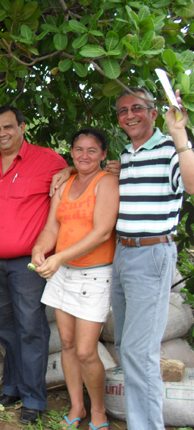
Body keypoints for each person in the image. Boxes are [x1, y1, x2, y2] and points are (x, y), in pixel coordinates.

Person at [54, 88, 193, 430]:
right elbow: (95, 175)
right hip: (123, 255)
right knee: (129, 346)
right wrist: (68, 172)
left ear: (154, 113)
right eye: (123, 111)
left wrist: (180, 136)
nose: (130, 115)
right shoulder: (128, 156)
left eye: (137, 109)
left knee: (137, 350)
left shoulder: (169, 149)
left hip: (151, 254)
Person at [0, 106, 67, 424]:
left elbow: (74, 176)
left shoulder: (47, 160)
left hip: (25, 263)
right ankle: (12, 387)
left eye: (8, 127)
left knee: (30, 329)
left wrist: (67, 173)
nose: (2, 134)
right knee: (4, 327)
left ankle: (34, 398)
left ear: (22, 127)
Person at [31, 129, 119, 429]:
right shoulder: (64, 183)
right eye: (79, 149)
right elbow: (52, 227)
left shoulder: (106, 182)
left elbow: (102, 232)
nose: (84, 155)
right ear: (71, 152)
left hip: (95, 275)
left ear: (104, 155)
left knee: (85, 350)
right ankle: (77, 405)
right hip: (64, 272)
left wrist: (59, 257)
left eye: (92, 150)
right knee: (67, 343)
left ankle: (98, 410)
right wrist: (41, 249)